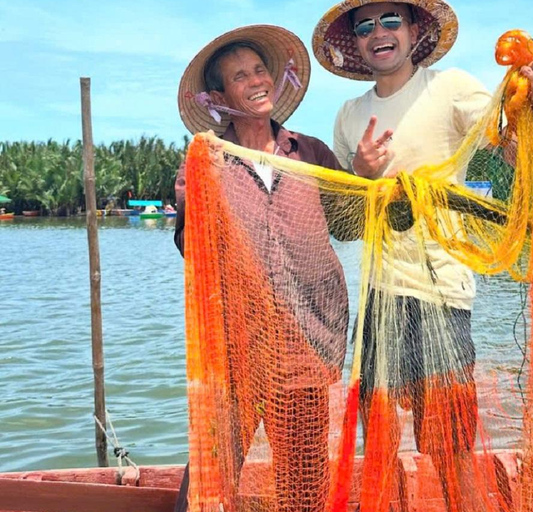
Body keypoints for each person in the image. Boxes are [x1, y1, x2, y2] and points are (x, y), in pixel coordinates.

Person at [312, 2, 533, 510]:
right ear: (354, 43)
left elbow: (510, 144)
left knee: (448, 441)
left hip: (441, 292)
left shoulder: (450, 88)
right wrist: (361, 174)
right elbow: (345, 224)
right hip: (379, 296)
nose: (378, 33)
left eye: (390, 20)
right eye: (364, 26)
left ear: (415, 29)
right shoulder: (350, 116)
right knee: (377, 438)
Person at [173, 25, 351, 512]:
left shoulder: (310, 152)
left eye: (259, 71)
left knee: (304, 482)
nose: (256, 82)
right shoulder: (206, 161)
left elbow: (351, 225)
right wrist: (189, 207)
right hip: (235, 348)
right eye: (239, 76)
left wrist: (372, 176)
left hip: (307, 343)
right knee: (211, 472)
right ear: (219, 96)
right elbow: (194, 253)